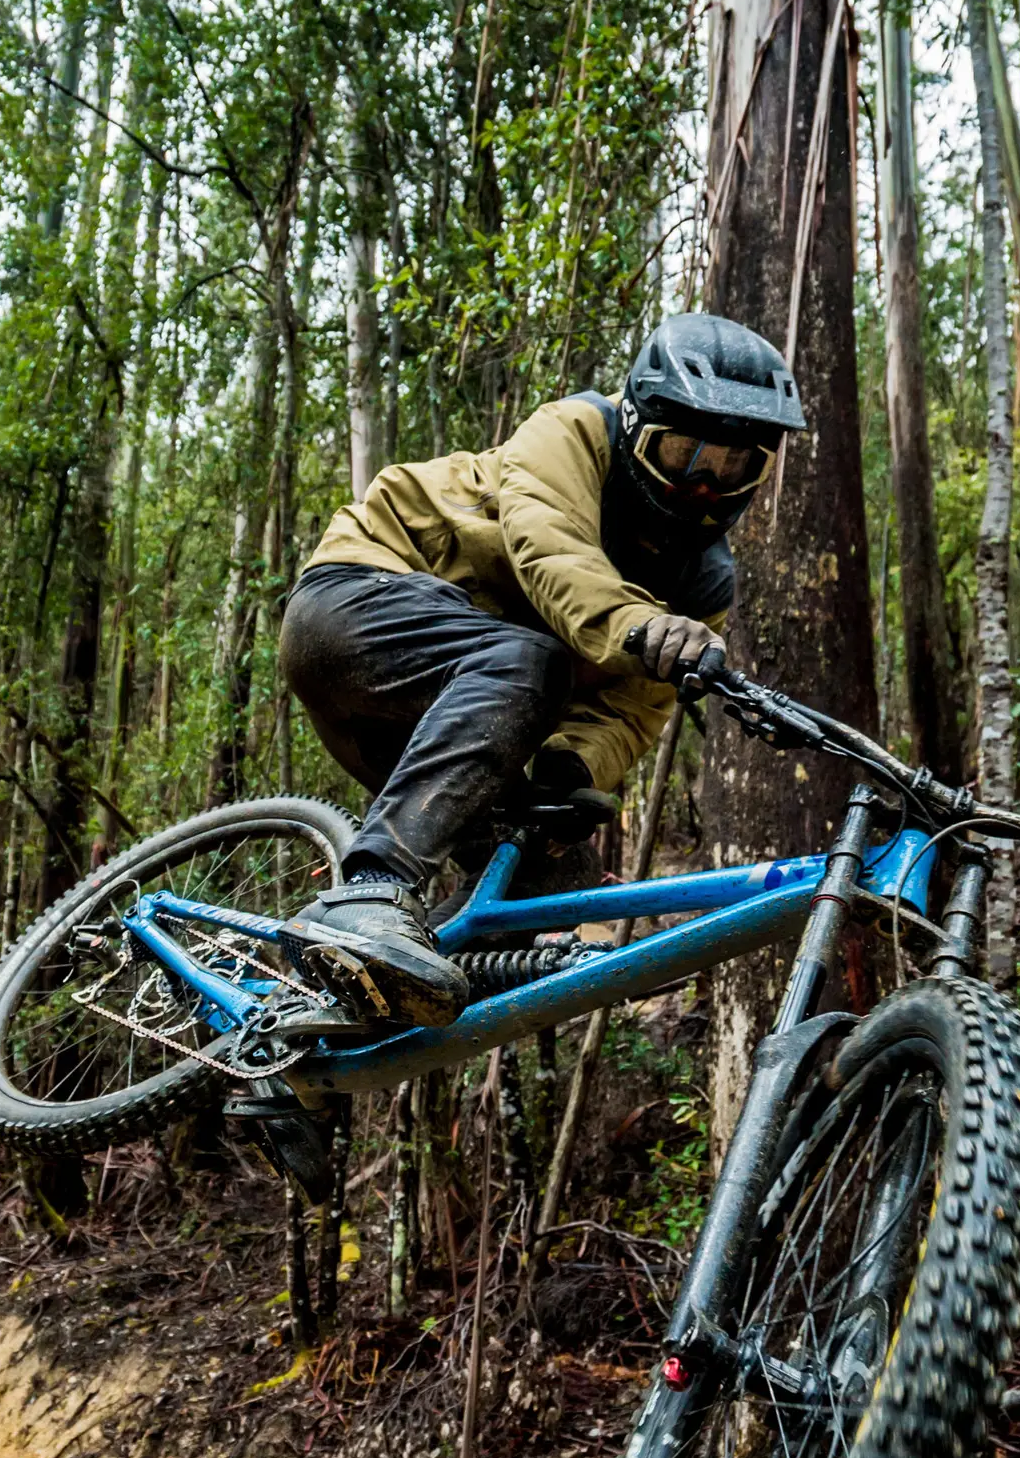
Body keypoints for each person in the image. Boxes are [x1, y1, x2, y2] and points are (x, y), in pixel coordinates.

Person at [279, 312, 801, 1026]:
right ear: (637, 424)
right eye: (684, 453)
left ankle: (340, 1011)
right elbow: (550, 550)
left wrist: (569, 770)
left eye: (733, 467)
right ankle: (372, 891)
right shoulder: (573, 432)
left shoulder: (704, 581)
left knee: (548, 874)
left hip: (460, 720)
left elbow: (633, 709)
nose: (704, 485)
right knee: (530, 657)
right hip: (352, 609)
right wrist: (638, 623)